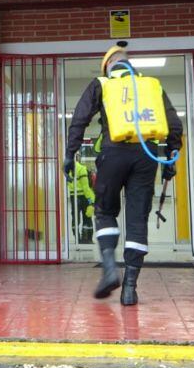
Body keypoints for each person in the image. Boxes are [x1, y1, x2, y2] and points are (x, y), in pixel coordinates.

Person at [63, 42, 183, 305]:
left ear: (108, 66)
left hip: (113, 153)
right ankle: (130, 288)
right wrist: (171, 159)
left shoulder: (103, 83)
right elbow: (174, 123)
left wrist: (70, 155)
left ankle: (108, 269)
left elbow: (79, 120)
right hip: (146, 155)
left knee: (104, 211)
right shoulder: (152, 85)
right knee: (138, 219)